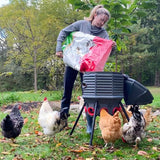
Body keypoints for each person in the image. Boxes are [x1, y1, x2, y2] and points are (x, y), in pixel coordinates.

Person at [56, 5, 116, 134]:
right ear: (95, 15)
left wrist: (112, 46)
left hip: (89, 69)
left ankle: (90, 124)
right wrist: (59, 49)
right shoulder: (82, 24)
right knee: (67, 91)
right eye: (101, 19)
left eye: (105, 21)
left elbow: (107, 49)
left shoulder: (103, 33)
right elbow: (63, 32)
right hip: (73, 63)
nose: (102, 23)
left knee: (89, 95)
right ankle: (62, 120)